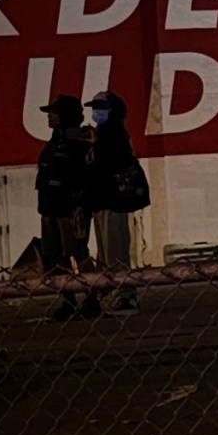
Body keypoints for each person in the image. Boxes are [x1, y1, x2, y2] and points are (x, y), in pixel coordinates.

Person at [81, 90, 149, 310]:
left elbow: (106, 165)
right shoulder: (103, 134)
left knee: (116, 250)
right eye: (95, 109)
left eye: (101, 109)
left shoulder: (114, 135)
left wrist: (95, 144)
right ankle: (110, 289)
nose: (96, 113)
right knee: (105, 252)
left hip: (112, 201)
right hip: (101, 201)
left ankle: (126, 295)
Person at [34, 94, 94, 320]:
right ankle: (68, 300)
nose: (50, 116)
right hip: (49, 207)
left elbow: (86, 176)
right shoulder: (55, 141)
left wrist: (78, 204)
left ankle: (91, 298)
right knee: (56, 256)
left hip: (70, 209)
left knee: (78, 253)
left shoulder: (79, 141)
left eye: (55, 112)